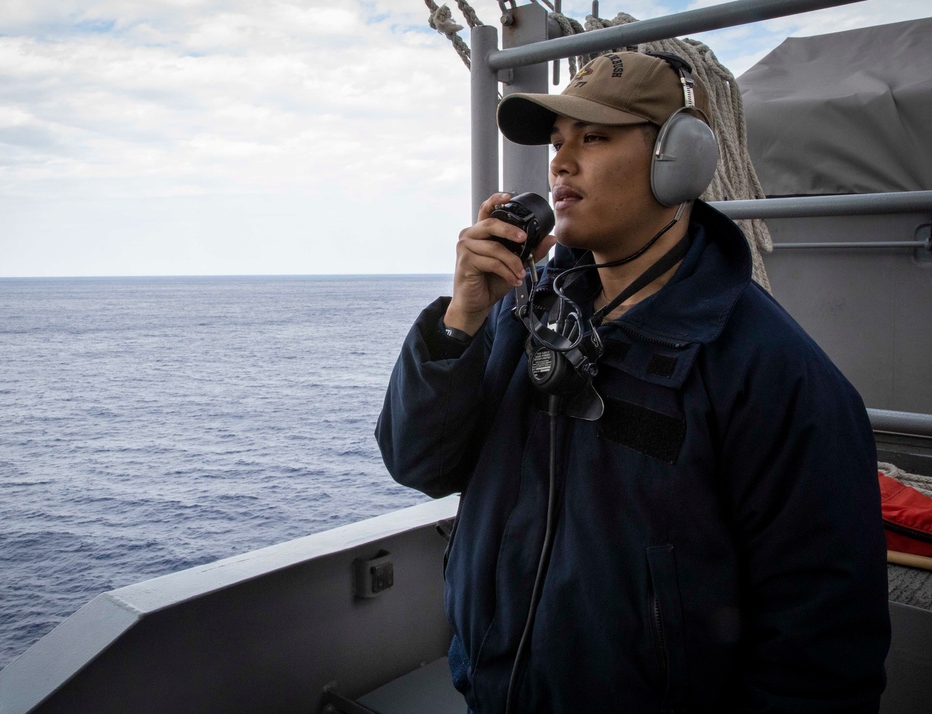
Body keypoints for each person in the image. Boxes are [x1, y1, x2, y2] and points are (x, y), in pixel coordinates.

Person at [376, 51, 889, 712]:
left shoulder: (773, 374)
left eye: (593, 138)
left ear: (681, 158)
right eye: (558, 142)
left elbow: (820, 654)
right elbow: (419, 462)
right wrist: (461, 320)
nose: (561, 161)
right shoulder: (519, 313)